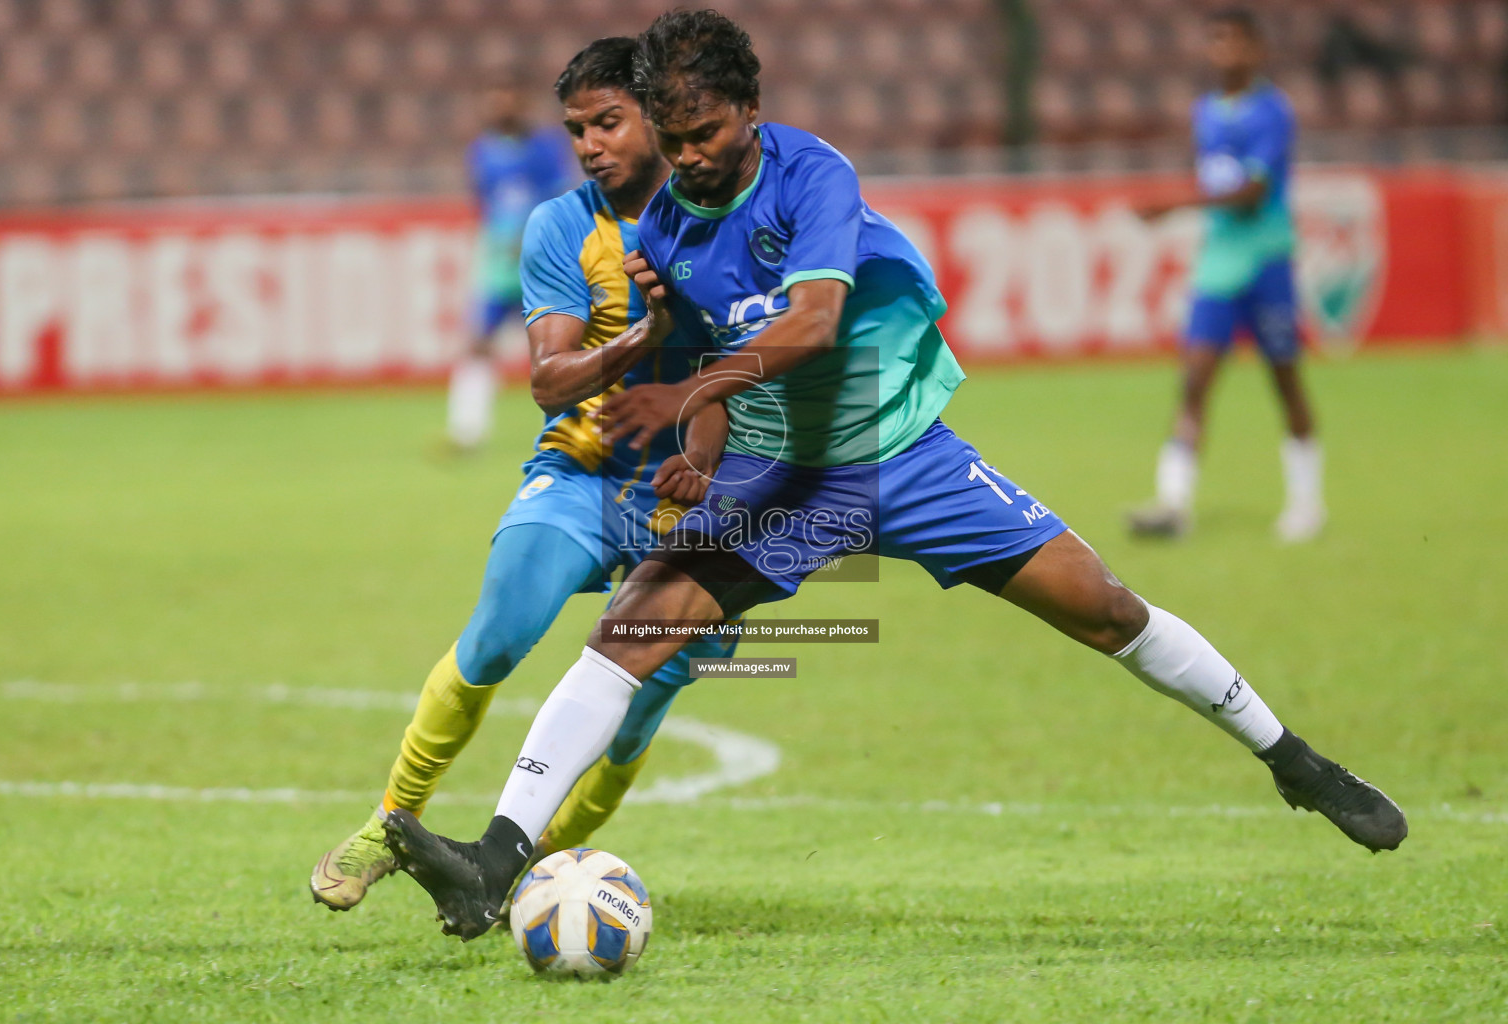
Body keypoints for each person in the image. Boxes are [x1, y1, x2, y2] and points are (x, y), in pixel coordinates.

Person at [382, 10, 1405, 941]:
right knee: (630, 634)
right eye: (674, 137)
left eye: (705, 135)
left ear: (750, 110)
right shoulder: (664, 234)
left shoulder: (811, 174)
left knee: (1103, 607)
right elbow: (711, 376)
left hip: (905, 456)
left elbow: (814, 322)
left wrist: (695, 395)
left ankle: (1296, 763)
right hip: (782, 480)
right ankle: (495, 856)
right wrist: (696, 453)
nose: (688, 158)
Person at [310, 37, 734, 912]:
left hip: (689, 504)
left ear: (657, 116)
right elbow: (547, 378)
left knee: (638, 706)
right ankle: (389, 824)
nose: (590, 145)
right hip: (580, 475)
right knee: (498, 637)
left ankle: (516, 874)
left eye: (608, 123)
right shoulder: (562, 226)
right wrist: (641, 340)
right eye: (577, 129)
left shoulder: (727, 220)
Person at [1130, 8, 1323, 542]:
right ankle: (1173, 504)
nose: (1225, 52)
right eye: (1216, 41)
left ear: (1257, 49)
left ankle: (1307, 503)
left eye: (1235, 42)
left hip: (1265, 259)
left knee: (1284, 378)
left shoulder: (1272, 112)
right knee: (1194, 380)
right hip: (1218, 262)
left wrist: (1175, 204)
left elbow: (1251, 194)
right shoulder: (1206, 112)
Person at [446, 81, 575, 451]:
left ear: (522, 105)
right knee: (478, 343)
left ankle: (562, 431)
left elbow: (560, 197)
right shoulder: (482, 151)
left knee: (551, 348)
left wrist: (534, 238)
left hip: (541, 264)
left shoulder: (546, 147)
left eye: (507, 102)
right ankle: (467, 431)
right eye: (493, 102)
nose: (500, 110)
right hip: (498, 267)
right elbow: (486, 205)